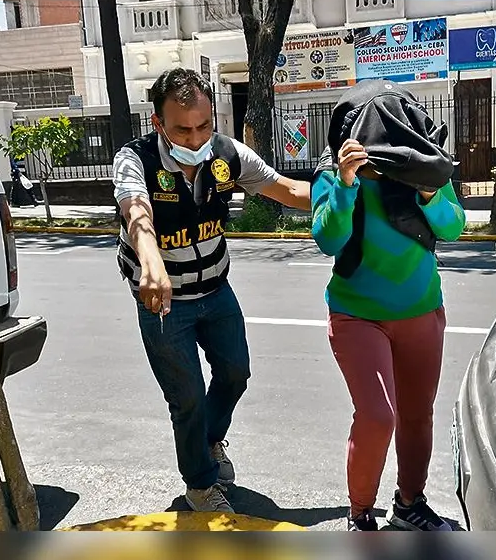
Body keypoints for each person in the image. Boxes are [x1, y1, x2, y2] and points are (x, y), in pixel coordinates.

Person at [112, 68, 311, 513]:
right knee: (186, 399)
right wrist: (152, 262)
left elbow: (290, 190)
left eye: (204, 125)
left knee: (235, 374)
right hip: (164, 302)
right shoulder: (135, 159)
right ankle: (200, 484)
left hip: (216, 291)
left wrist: (352, 193)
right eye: (182, 128)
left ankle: (207, 442)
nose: (195, 137)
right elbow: (136, 211)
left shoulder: (227, 156)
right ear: (157, 123)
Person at [311, 79, 466, 531]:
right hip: (357, 314)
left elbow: (453, 227)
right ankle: (360, 514)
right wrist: (344, 184)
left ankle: (409, 504)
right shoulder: (334, 172)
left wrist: (429, 194)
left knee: (418, 416)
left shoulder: (425, 167)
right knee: (379, 416)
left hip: (420, 310)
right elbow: (328, 238)